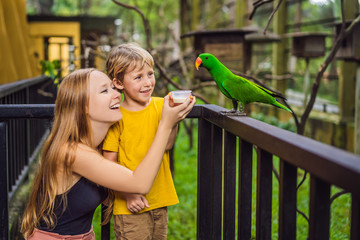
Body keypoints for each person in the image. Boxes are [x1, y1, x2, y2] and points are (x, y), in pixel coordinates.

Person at [21, 68, 195, 239]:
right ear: (83, 106)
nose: (116, 95)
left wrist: (170, 122)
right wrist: (165, 124)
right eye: (104, 90)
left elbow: (160, 150)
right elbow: (140, 183)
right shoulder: (71, 152)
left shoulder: (95, 146)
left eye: (113, 87)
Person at [103, 43, 184, 239]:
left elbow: (167, 145)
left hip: (159, 200)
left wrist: (173, 119)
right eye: (138, 77)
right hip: (130, 205)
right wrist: (128, 194)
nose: (148, 83)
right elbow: (108, 165)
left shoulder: (160, 105)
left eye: (150, 74)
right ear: (119, 83)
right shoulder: (116, 116)